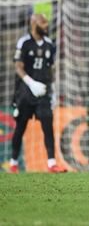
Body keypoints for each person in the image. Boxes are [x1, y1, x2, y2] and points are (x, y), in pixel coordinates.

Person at [9, 14, 67, 173]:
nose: (46, 26)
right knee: (20, 128)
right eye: (43, 23)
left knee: (48, 127)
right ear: (33, 24)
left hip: (43, 93)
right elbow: (18, 67)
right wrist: (31, 83)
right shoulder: (24, 43)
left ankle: (52, 163)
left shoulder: (50, 44)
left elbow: (51, 69)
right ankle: (13, 162)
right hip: (26, 92)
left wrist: (53, 91)